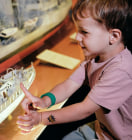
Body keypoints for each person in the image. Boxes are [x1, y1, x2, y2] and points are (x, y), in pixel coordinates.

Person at [17, 0, 132, 139]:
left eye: (84, 32)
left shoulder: (121, 70)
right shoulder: (94, 58)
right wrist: (45, 101)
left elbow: (83, 110)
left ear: (113, 36)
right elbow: (69, 84)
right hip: (102, 130)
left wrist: (41, 118)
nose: (77, 37)